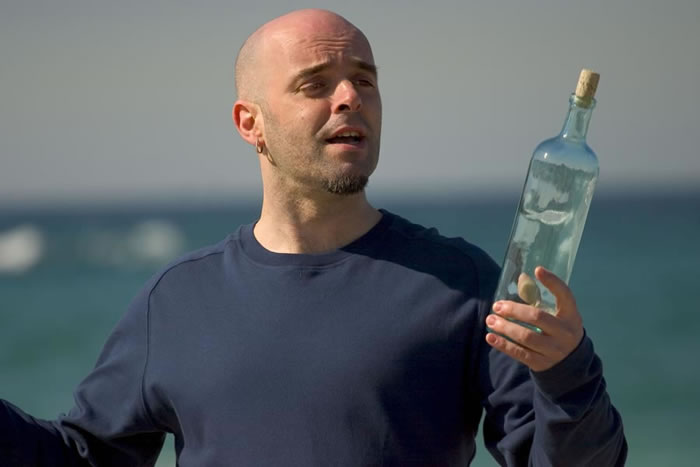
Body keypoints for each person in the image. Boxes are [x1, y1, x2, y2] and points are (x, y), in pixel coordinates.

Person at [1, 8, 627, 466]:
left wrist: (567, 371)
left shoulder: (462, 285)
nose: (350, 97)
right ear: (251, 123)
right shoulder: (175, 301)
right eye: (315, 84)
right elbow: (83, 457)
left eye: (365, 79)